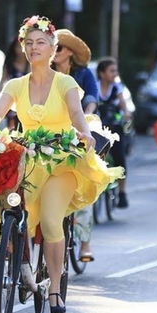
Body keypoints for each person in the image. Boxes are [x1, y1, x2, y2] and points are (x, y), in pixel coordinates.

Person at [0, 15, 123, 313]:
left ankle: (54, 291)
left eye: (41, 43)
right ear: (23, 49)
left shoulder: (66, 82)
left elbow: (76, 114)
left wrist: (85, 132)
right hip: (27, 159)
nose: (34, 48)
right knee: (3, 204)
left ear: (52, 48)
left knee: (51, 222)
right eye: (29, 43)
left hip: (60, 161)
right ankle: (21, 261)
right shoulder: (15, 84)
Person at [51, 28, 101, 261]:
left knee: (83, 182)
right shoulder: (44, 72)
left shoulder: (84, 74)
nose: (54, 52)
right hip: (50, 131)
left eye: (58, 47)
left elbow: (91, 98)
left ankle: (85, 242)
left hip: (80, 128)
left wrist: (86, 119)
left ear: (69, 52)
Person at [96, 57, 132, 208]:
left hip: (114, 127)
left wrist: (126, 113)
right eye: (111, 71)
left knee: (120, 158)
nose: (114, 74)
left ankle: (122, 193)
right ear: (102, 73)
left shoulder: (117, 88)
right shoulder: (95, 87)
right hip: (98, 127)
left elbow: (123, 104)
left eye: (115, 71)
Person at [0, 39, 31, 128]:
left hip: (27, 100)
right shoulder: (9, 64)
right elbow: (2, 82)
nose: (21, 50)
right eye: (18, 47)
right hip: (12, 100)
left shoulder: (30, 64)